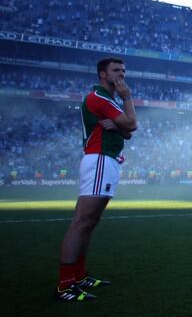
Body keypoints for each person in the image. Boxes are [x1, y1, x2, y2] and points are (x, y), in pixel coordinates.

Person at [56, 58, 138, 301]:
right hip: (100, 159)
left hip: (106, 160)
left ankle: (79, 276)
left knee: (89, 223)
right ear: (103, 74)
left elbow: (127, 132)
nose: (122, 74)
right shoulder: (100, 97)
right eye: (116, 71)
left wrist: (118, 125)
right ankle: (65, 285)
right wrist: (127, 98)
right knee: (83, 222)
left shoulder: (107, 99)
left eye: (123, 70)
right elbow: (132, 124)